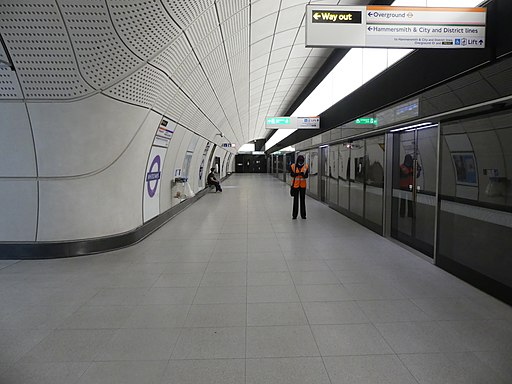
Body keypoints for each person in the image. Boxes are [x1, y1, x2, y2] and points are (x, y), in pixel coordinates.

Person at [290, 155, 309, 219]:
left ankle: (303, 215)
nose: (301, 161)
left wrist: (303, 175)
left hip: (303, 186)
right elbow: (291, 174)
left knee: (302, 200)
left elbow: (306, 176)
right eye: (300, 160)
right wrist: (297, 174)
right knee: (295, 200)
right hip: (296, 185)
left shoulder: (306, 166)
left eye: (302, 160)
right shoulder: (293, 166)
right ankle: (294, 215)